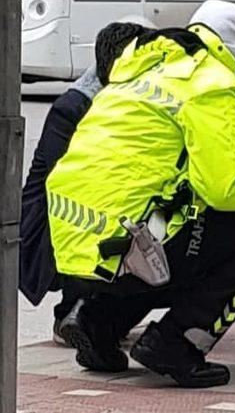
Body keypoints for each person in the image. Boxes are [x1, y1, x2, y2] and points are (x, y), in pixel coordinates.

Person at [46, 0, 235, 388]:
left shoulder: (141, 68)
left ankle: (96, 322)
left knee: (171, 227)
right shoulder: (211, 83)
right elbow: (224, 188)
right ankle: (177, 343)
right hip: (130, 243)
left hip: (75, 242)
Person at [19, 21, 149, 345]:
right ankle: (71, 313)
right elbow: (66, 178)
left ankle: (102, 313)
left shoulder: (129, 102)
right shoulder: (73, 106)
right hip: (50, 220)